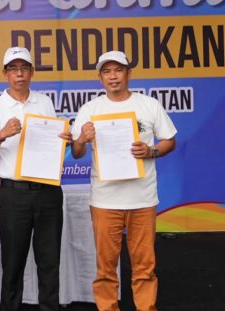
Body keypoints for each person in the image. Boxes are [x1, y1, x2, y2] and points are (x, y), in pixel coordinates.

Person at [71, 50, 177, 311]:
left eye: (118, 70)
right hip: (105, 200)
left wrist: (151, 151)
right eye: (106, 71)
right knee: (105, 268)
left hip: (142, 198)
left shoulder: (148, 105)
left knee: (144, 267)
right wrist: (82, 139)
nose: (113, 76)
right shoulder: (90, 109)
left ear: (129, 73)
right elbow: (76, 152)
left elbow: (169, 141)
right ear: (100, 77)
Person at [0, 47, 71, 311]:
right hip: (13, 194)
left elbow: (51, 145)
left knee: (50, 261)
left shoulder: (44, 102)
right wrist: (1, 134)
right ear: (5, 74)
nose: (20, 74)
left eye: (24, 68)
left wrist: (63, 140)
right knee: (13, 262)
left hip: (47, 191)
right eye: (13, 69)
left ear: (32, 72)